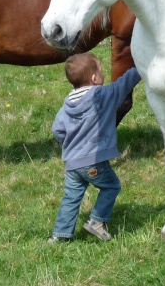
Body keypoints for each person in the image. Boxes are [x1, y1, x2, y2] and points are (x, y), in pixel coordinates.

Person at [48, 53, 141, 243]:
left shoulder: (68, 103)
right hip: (93, 160)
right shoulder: (101, 96)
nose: (103, 72)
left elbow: (58, 130)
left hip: (72, 163)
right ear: (94, 78)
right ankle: (97, 221)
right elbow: (123, 84)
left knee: (71, 198)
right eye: (100, 69)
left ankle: (60, 235)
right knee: (111, 186)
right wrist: (142, 65)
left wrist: (70, 142)